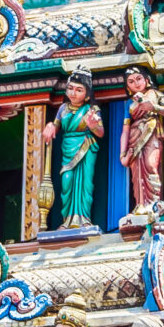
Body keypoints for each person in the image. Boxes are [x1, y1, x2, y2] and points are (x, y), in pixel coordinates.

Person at [43, 69, 105, 229]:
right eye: (70, 88)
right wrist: (50, 125)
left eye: (79, 90)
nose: (73, 93)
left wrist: (93, 125)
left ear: (87, 95)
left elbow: (100, 131)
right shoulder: (63, 108)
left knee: (85, 183)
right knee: (67, 181)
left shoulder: (92, 109)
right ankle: (68, 219)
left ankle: (83, 218)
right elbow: (56, 125)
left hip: (85, 146)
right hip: (68, 147)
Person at [121, 64, 164, 217]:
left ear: (146, 80)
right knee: (137, 171)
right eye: (131, 81)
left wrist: (154, 107)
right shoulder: (129, 104)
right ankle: (140, 205)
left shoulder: (155, 94)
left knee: (151, 165)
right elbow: (125, 129)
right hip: (135, 135)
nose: (136, 83)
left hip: (151, 131)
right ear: (128, 86)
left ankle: (154, 204)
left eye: (139, 79)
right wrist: (122, 154)